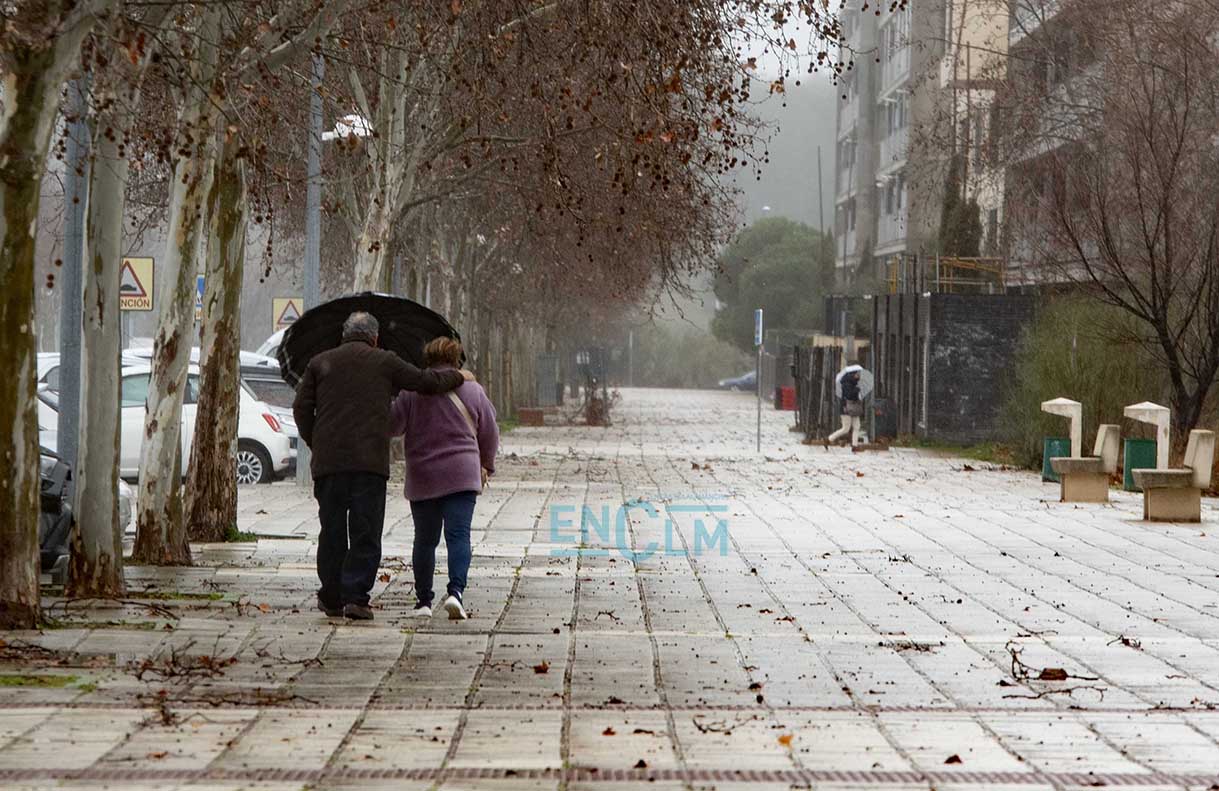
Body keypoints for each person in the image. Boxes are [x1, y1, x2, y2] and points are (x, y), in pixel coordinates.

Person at [293, 312, 471, 621]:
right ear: (375, 338)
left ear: (343, 334)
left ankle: (331, 596)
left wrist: (315, 441)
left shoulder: (319, 362)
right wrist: (459, 377)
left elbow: (301, 408)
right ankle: (356, 598)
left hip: (329, 464)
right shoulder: (385, 361)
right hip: (368, 464)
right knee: (366, 531)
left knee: (332, 530)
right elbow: (426, 382)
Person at [390, 337, 498, 621]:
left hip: (423, 475)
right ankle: (455, 593)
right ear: (455, 360)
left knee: (425, 540)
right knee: (458, 535)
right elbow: (490, 431)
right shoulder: (473, 390)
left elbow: (393, 426)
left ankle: (423, 601)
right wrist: (486, 465)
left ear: (427, 359)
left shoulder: (412, 392)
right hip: (461, 474)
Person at [828, 369, 863, 447]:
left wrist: (858, 392)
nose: (859, 375)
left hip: (854, 409)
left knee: (857, 426)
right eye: (857, 374)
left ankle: (854, 445)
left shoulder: (855, 384)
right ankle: (830, 439)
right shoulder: (846, 383)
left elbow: (855, 396)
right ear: (852, 374)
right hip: (846, 408)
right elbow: (849, 395)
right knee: (846, 428)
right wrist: (857, 390)